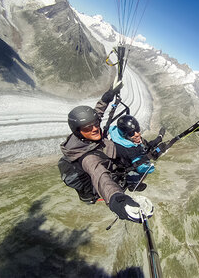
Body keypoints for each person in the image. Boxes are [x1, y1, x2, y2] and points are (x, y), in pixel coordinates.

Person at [60, 85, 142, 223]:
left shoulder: (85, 131)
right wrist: (116, 198)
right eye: (88, 128)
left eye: (95, 124)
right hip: (102, 165)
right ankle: (128, 180)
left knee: (128, 152)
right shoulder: (87, 159)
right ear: (78, 132)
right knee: (130, 155)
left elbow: (97, 112)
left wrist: (107, 97)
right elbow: (100, 176)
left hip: (103, 149)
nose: (94, 129)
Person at [108, 115, 165, 191]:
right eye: (131, 133)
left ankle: (159, 138)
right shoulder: (130, 151)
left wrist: (158, 139)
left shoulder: (118, 136)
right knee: (143, 168)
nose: (137, 134)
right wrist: (156, 153)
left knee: (144, 146)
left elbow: (144, 147)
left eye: (137, 129)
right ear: (124, 134)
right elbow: (144, 168)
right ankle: (133, 184)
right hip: (121, 172)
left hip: (122, 162)